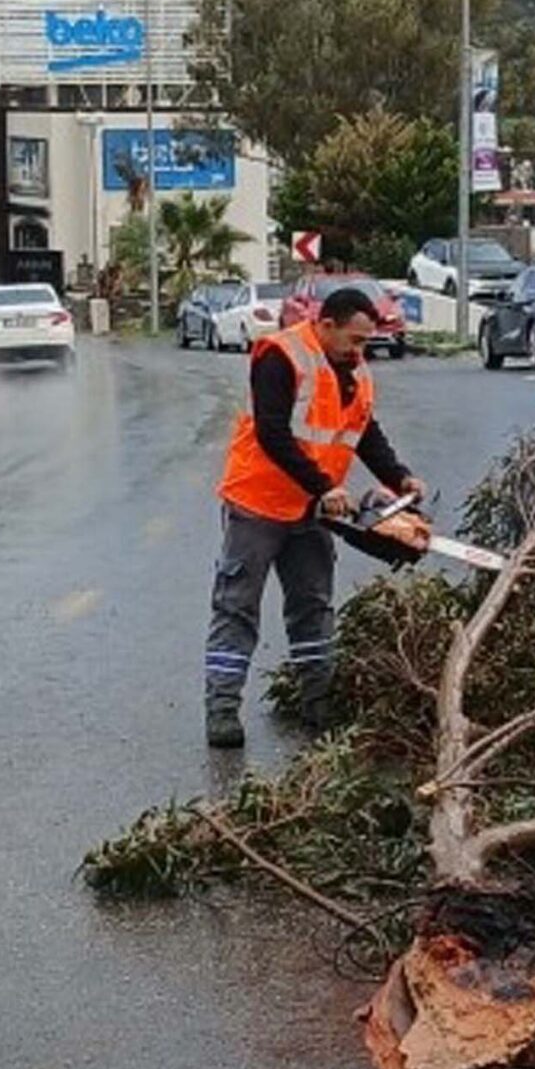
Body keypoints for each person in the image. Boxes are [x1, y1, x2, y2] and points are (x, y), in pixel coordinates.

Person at [204, 285, 420, 748]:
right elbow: (272, 433)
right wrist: (324, 486)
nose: (360, 350)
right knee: (237, 607)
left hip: (311, 510)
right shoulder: (281, 355)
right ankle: (221, 711)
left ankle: (318, 704)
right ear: (325, 325)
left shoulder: (354, 369)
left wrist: (399, 477)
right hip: (259, 503)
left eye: (366, 341)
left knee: (313, 606)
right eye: (354, 339)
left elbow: (363, 431)